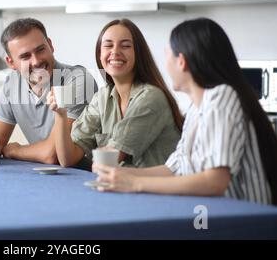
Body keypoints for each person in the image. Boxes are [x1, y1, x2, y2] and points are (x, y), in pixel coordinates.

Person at [93, 18, 277, 205]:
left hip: (244, 221)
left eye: (167, 55)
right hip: (214, 214)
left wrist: (135, 183)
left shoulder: (221, 97)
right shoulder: (196, 108)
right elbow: (173, 169)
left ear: (181, 62)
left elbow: (214, 182)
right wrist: (121, 174)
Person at [48, 19, 183, 170]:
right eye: (108, 45)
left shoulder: (150, 97)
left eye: (125, 46)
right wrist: (60, 114)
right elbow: (68, 159)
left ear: (138, 54)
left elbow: (110, 159)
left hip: (156, 191)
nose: (115, 52)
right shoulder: (102, 98)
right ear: (100, 55)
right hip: (121, 187)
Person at [0, 18, 97, 164]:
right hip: (43, 175)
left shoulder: (78, 79)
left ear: (50, 45)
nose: (36, 61)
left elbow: (52, 154)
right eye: (25, 56)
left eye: (40, 50)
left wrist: (14, 150)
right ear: (11, 62)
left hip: (83, 176)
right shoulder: (12, 84)